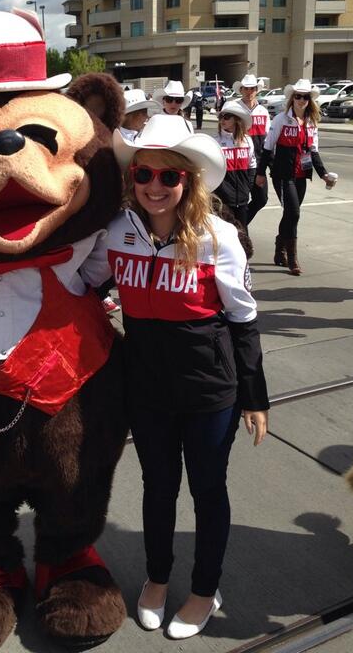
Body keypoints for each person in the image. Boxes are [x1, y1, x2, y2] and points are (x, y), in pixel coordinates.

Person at [81, 114, 269, 640]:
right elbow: (84, 284)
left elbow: (244, 319)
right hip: (146, 387)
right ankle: (158, 579)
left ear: (188, 179)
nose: (155, 187)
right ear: (131, 177)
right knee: (158, 486)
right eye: (143, 175)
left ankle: (205, 591)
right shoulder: (116, 232)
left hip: (210, 390)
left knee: (208, 490)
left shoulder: (219, 237)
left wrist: (255, 398)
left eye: (169, 176)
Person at [255, 79, 336, 275]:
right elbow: (267, 149)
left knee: (290, 214)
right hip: (283, 175)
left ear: (310, 100)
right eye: (298, 96)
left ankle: (279, 248)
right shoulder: (281, 119)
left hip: (302, 174)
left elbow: (313, 152)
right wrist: (260, 173)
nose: (301, 100)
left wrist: (324, 174)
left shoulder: (311, 122)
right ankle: (292, 259)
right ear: (292, 99)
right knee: (294, 213)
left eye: (305, 97)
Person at [232, 74, 270, 225]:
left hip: (258, 163)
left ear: (257, 90)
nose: (249, 92)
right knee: (239, 201)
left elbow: (268, 139)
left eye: (252, 89)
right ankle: (238, 229)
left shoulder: (263, 111)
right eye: (246, 89)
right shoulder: (234, 109)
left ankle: (239, 226)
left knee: (261, 199)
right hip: (239, 162)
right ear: (241, 90)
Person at [213, 101, 256, 231]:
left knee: (243, 234)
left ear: (236, 119)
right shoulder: (216, 142)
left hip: (242, 199)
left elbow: (252, 165)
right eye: (221, 117)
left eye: (227, 117)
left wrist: (247, 187)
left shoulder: (247, 140)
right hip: (223, 200)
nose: (222, 120)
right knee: (225, 235)